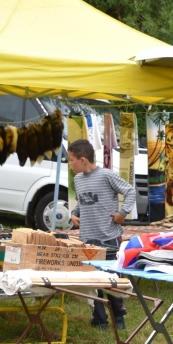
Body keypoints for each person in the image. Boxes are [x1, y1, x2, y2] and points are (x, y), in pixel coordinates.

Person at [68, 139, 136, 330]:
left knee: (111, 278)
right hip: (87, 239)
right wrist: (74, 214)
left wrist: (123, 214)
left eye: (71, 160)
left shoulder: (106, 176)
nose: (70, 164)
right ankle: (99, 318)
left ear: (82, 160)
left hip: (108, 237)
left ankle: (118, 316)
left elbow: (130, 191)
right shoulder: (78, 180)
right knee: (92, 279)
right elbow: (83, 201)